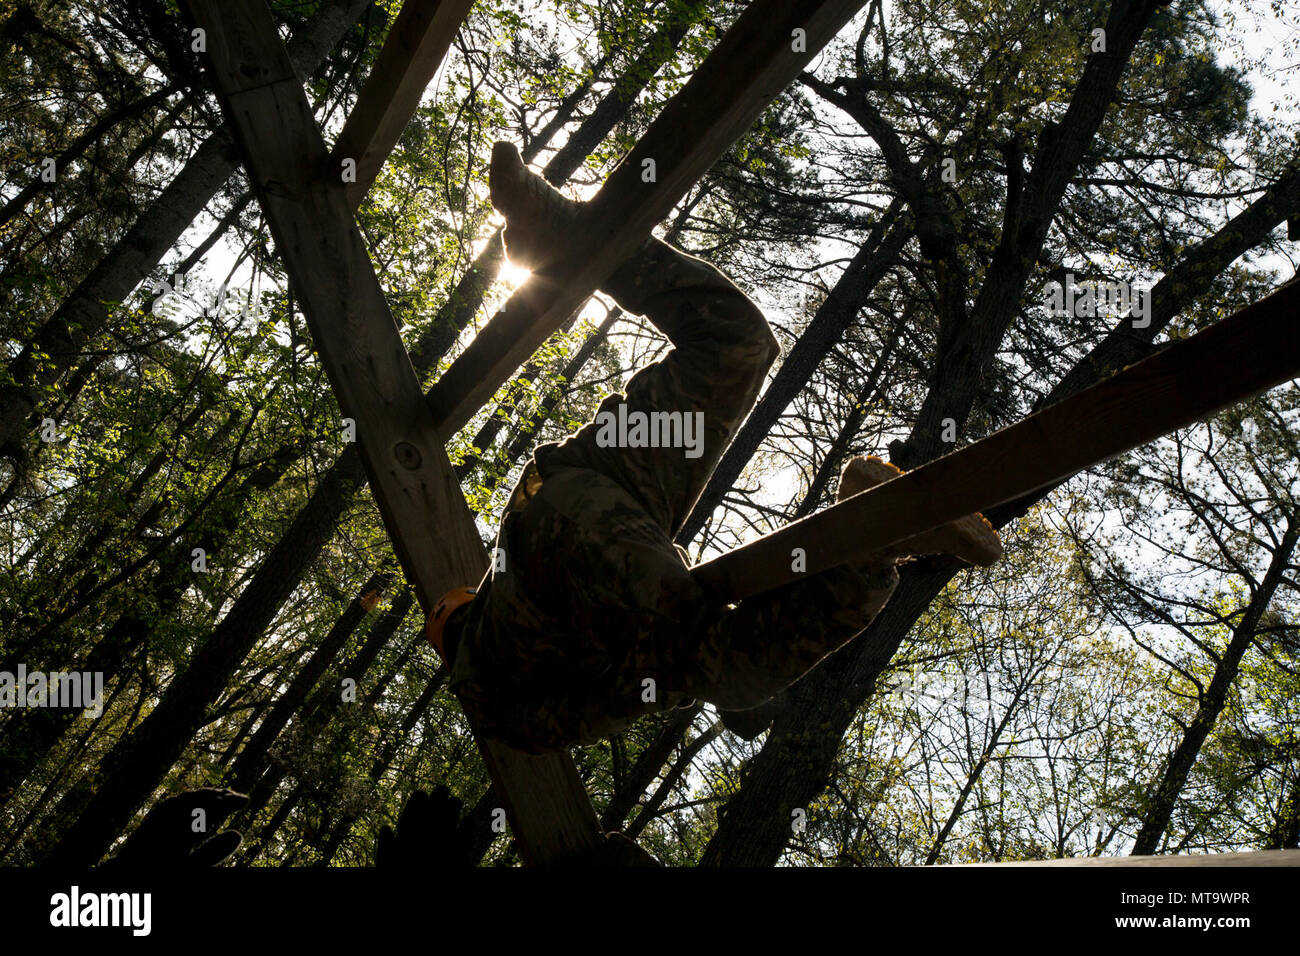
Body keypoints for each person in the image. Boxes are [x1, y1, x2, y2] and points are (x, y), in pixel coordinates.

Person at [429, 142, 1001, 755]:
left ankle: (875, 550)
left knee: (730, 672)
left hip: (576, 537)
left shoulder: (496, 696)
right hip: (595, 473)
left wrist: (688, 659)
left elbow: (615, 698)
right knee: (735, 346)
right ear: (464, 602)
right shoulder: (497, 591)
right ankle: (557, 235)